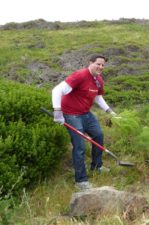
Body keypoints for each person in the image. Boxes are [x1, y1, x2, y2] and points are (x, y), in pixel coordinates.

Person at [52, 54, 117, 190]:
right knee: (79, 146)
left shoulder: (98, 80)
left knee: (98, 135)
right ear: (90, 63)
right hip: (71, 115)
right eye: (98, 64)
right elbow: (57, 90)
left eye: (103, 65)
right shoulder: (80, 75)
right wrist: (57, 111)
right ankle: (81, 181)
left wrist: (110, 112)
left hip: (85, 114)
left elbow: (98, 98)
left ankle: (97, 166)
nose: (100, 67)